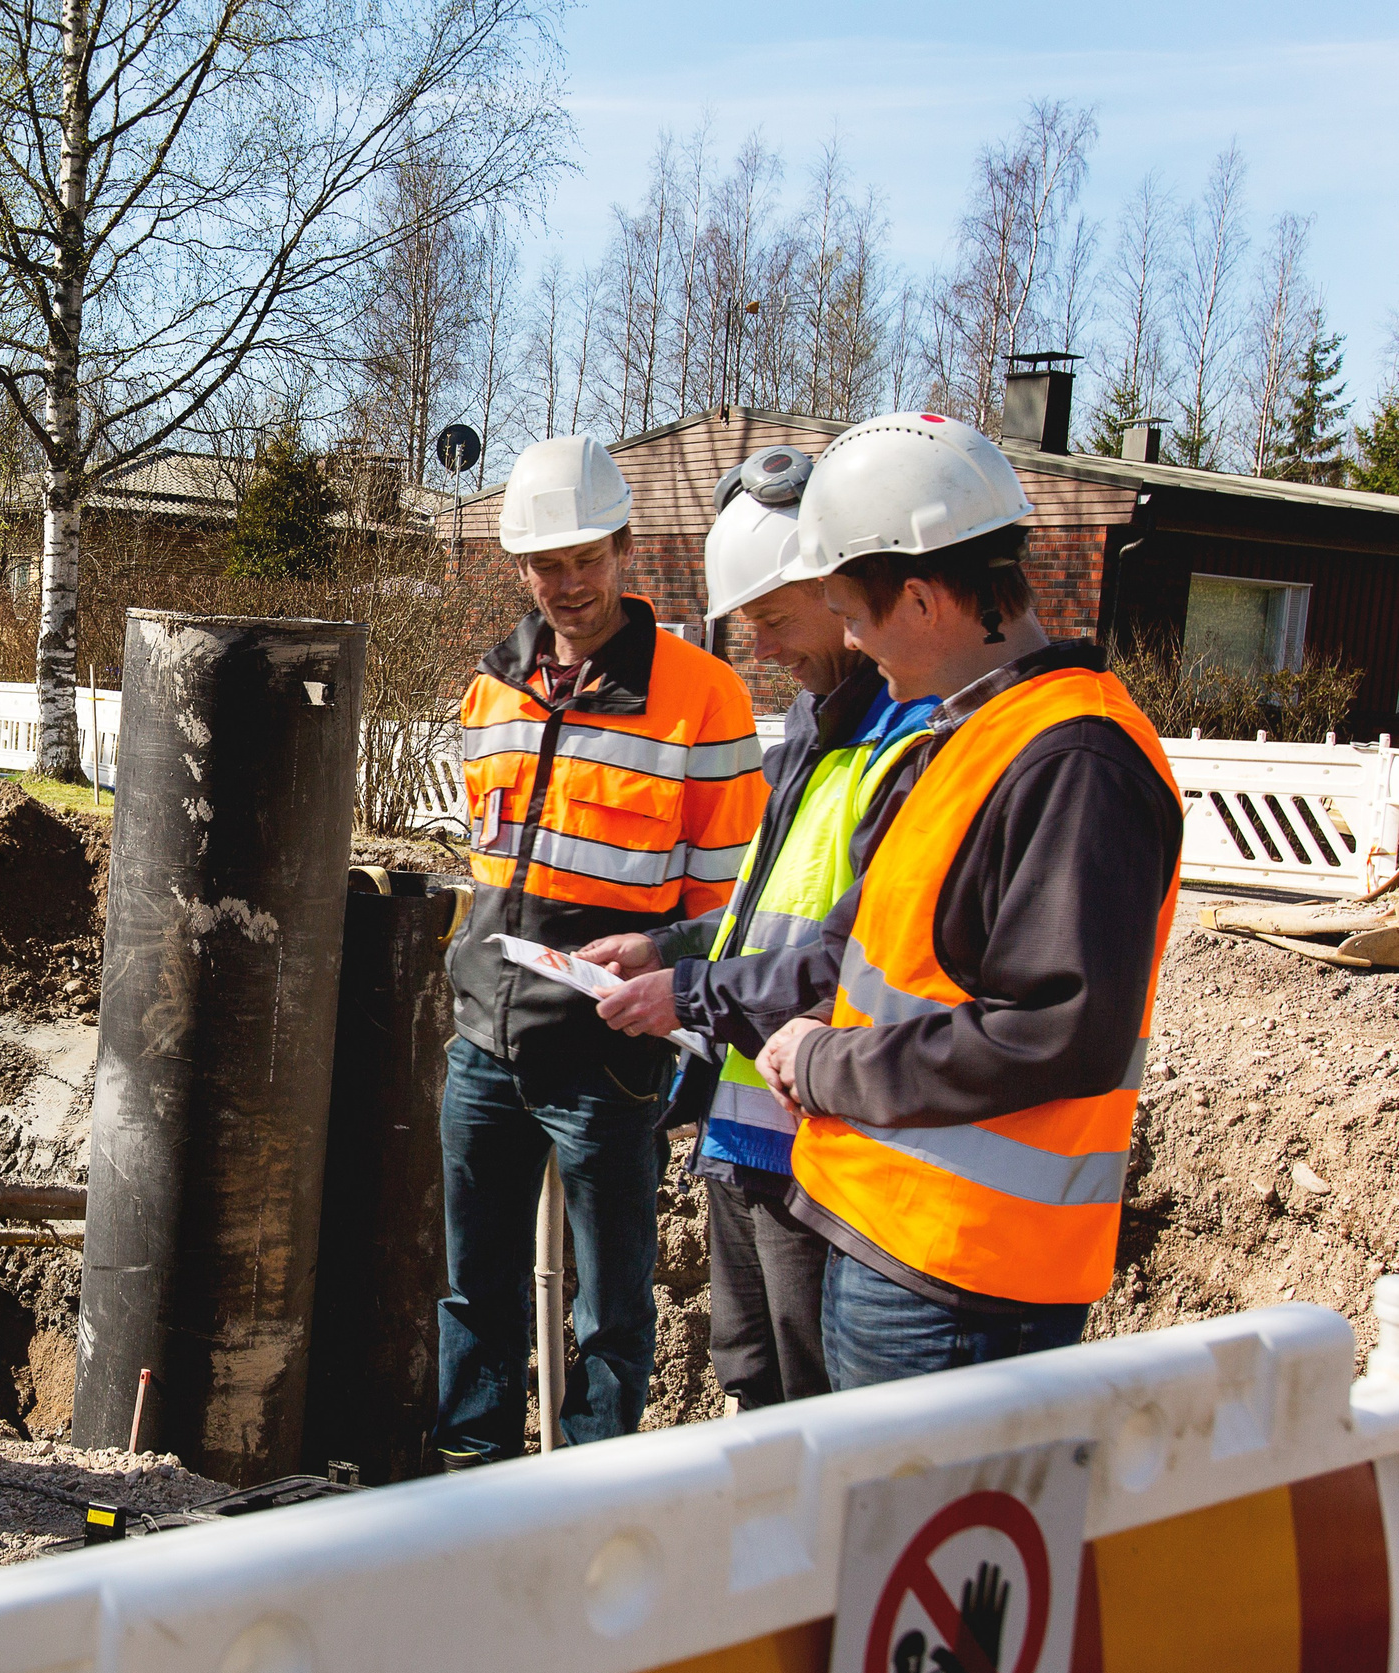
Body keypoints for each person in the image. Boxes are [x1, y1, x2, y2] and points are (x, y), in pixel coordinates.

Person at [746, 411, 1184, 1389]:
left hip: (957, 1277)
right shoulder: (975, 738)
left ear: (917, 599)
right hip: (893, 1237)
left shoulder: (1073, 759)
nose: (850, 646)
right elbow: (897, 966)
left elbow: (1054, 1032)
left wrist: (824, 1065)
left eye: (851, 616)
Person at [580, 447, 938, 1414]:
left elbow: (850, 955)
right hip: (746, 1126)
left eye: (776, 619)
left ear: (840, 589)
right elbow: (761, 917)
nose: (765, 647)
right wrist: (671, 948)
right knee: (752, 1385)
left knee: (806, 1404)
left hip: (820, 1141)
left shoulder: (909, 745)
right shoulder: (813, 735)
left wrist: (685, 994)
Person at [437, 435, 766, 1462]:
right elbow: (490, 867)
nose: (566, 584)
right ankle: (466, 1472)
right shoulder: (489, 691)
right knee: (467, 1288)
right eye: (546, 564)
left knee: (609, 1305)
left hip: (606, 1053)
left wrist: (676, 999)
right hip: (485, 1043)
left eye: (585, 557)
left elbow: (734, 896)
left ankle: (589, 1492)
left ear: (622, 549)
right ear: (519, 570)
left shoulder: (701, 695)